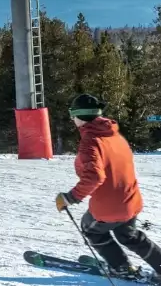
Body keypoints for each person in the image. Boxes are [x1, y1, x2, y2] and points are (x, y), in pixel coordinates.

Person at [56, 94, 161, 282]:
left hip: (111, 206)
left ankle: (121, 268)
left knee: (91, 228)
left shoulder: (90, 141)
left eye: (73, 115)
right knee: (128, 235)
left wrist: (70, 197)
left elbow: (94, 176)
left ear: (79, 116)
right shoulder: (113, 135)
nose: (72, 120)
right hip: (130, 200)